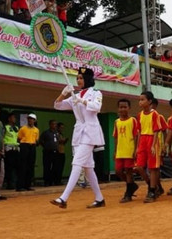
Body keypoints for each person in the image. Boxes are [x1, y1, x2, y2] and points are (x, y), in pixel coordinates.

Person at [51, 67, 106, 209]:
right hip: (79, 133)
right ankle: (100, 199)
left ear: (88, 79)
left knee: (77, 163)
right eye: (77, 78)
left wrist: (82, 101)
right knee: (88, 168)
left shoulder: (95, 93)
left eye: (81, 78)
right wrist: (63, 94)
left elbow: (97, 107)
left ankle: (63, 198)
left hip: (90, 132)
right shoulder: (74, 95)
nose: (78, 80)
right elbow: (57, 105)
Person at [134, 91, 163, 203]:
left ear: (149, 101)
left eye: (143, 99)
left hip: (151, 139)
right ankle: (153, 185)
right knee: (139, 167)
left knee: (152, 168)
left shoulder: (155, 114)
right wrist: (137, 146)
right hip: (142, 141)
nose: (140, 102)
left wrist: (153, 144)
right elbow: (139, 131)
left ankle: (151, 190)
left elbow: (156, 130)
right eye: (139, 100)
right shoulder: (139, 115)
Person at [113, 99, 139, 203]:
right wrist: (115, 150)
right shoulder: (116, 122)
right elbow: (116, 137)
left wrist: (136, 149)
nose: (122, 109)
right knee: (118, 171)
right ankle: (132, 186)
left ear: (129, 108)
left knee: (128, 172)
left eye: (125, 107)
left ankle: (128, 194)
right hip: (120, 150)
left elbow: (136, 136)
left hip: (129, 149)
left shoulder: (133, 120)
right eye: (120, 107)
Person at [17, 114, 39, 191]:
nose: (30, 120)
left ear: (35, 120)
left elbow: (36, 139)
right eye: (29, 119)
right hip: (24, 145)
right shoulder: (23, 128)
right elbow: (19, 138)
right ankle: (20, 186)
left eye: (32, 119)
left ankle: (27, 185)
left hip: (32, 146)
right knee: (23, 166)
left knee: (31, 166)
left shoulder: (36, 130)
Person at [40, 120, 60, 187]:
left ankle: (52, 181)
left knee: (55, 167)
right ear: (50, 125)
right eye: (53, 124)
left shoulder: (57, 133)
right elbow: (40, 140)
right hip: (47, 152)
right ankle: (46, 181)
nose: (55, 125)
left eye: (55, 124)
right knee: (47, 167)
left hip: (55, 152)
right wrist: (45, 146)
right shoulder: (46, 133)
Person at [3, 113, 20, 190]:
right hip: (8, 149)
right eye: (13, 117)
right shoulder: (5, 127)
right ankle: (9, 184)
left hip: (16, 149)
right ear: (9, 119)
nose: (14, 119)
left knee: (16, 167)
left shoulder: (16, 128)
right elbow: (2, 137)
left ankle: (15, 183)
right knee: (9, 167)